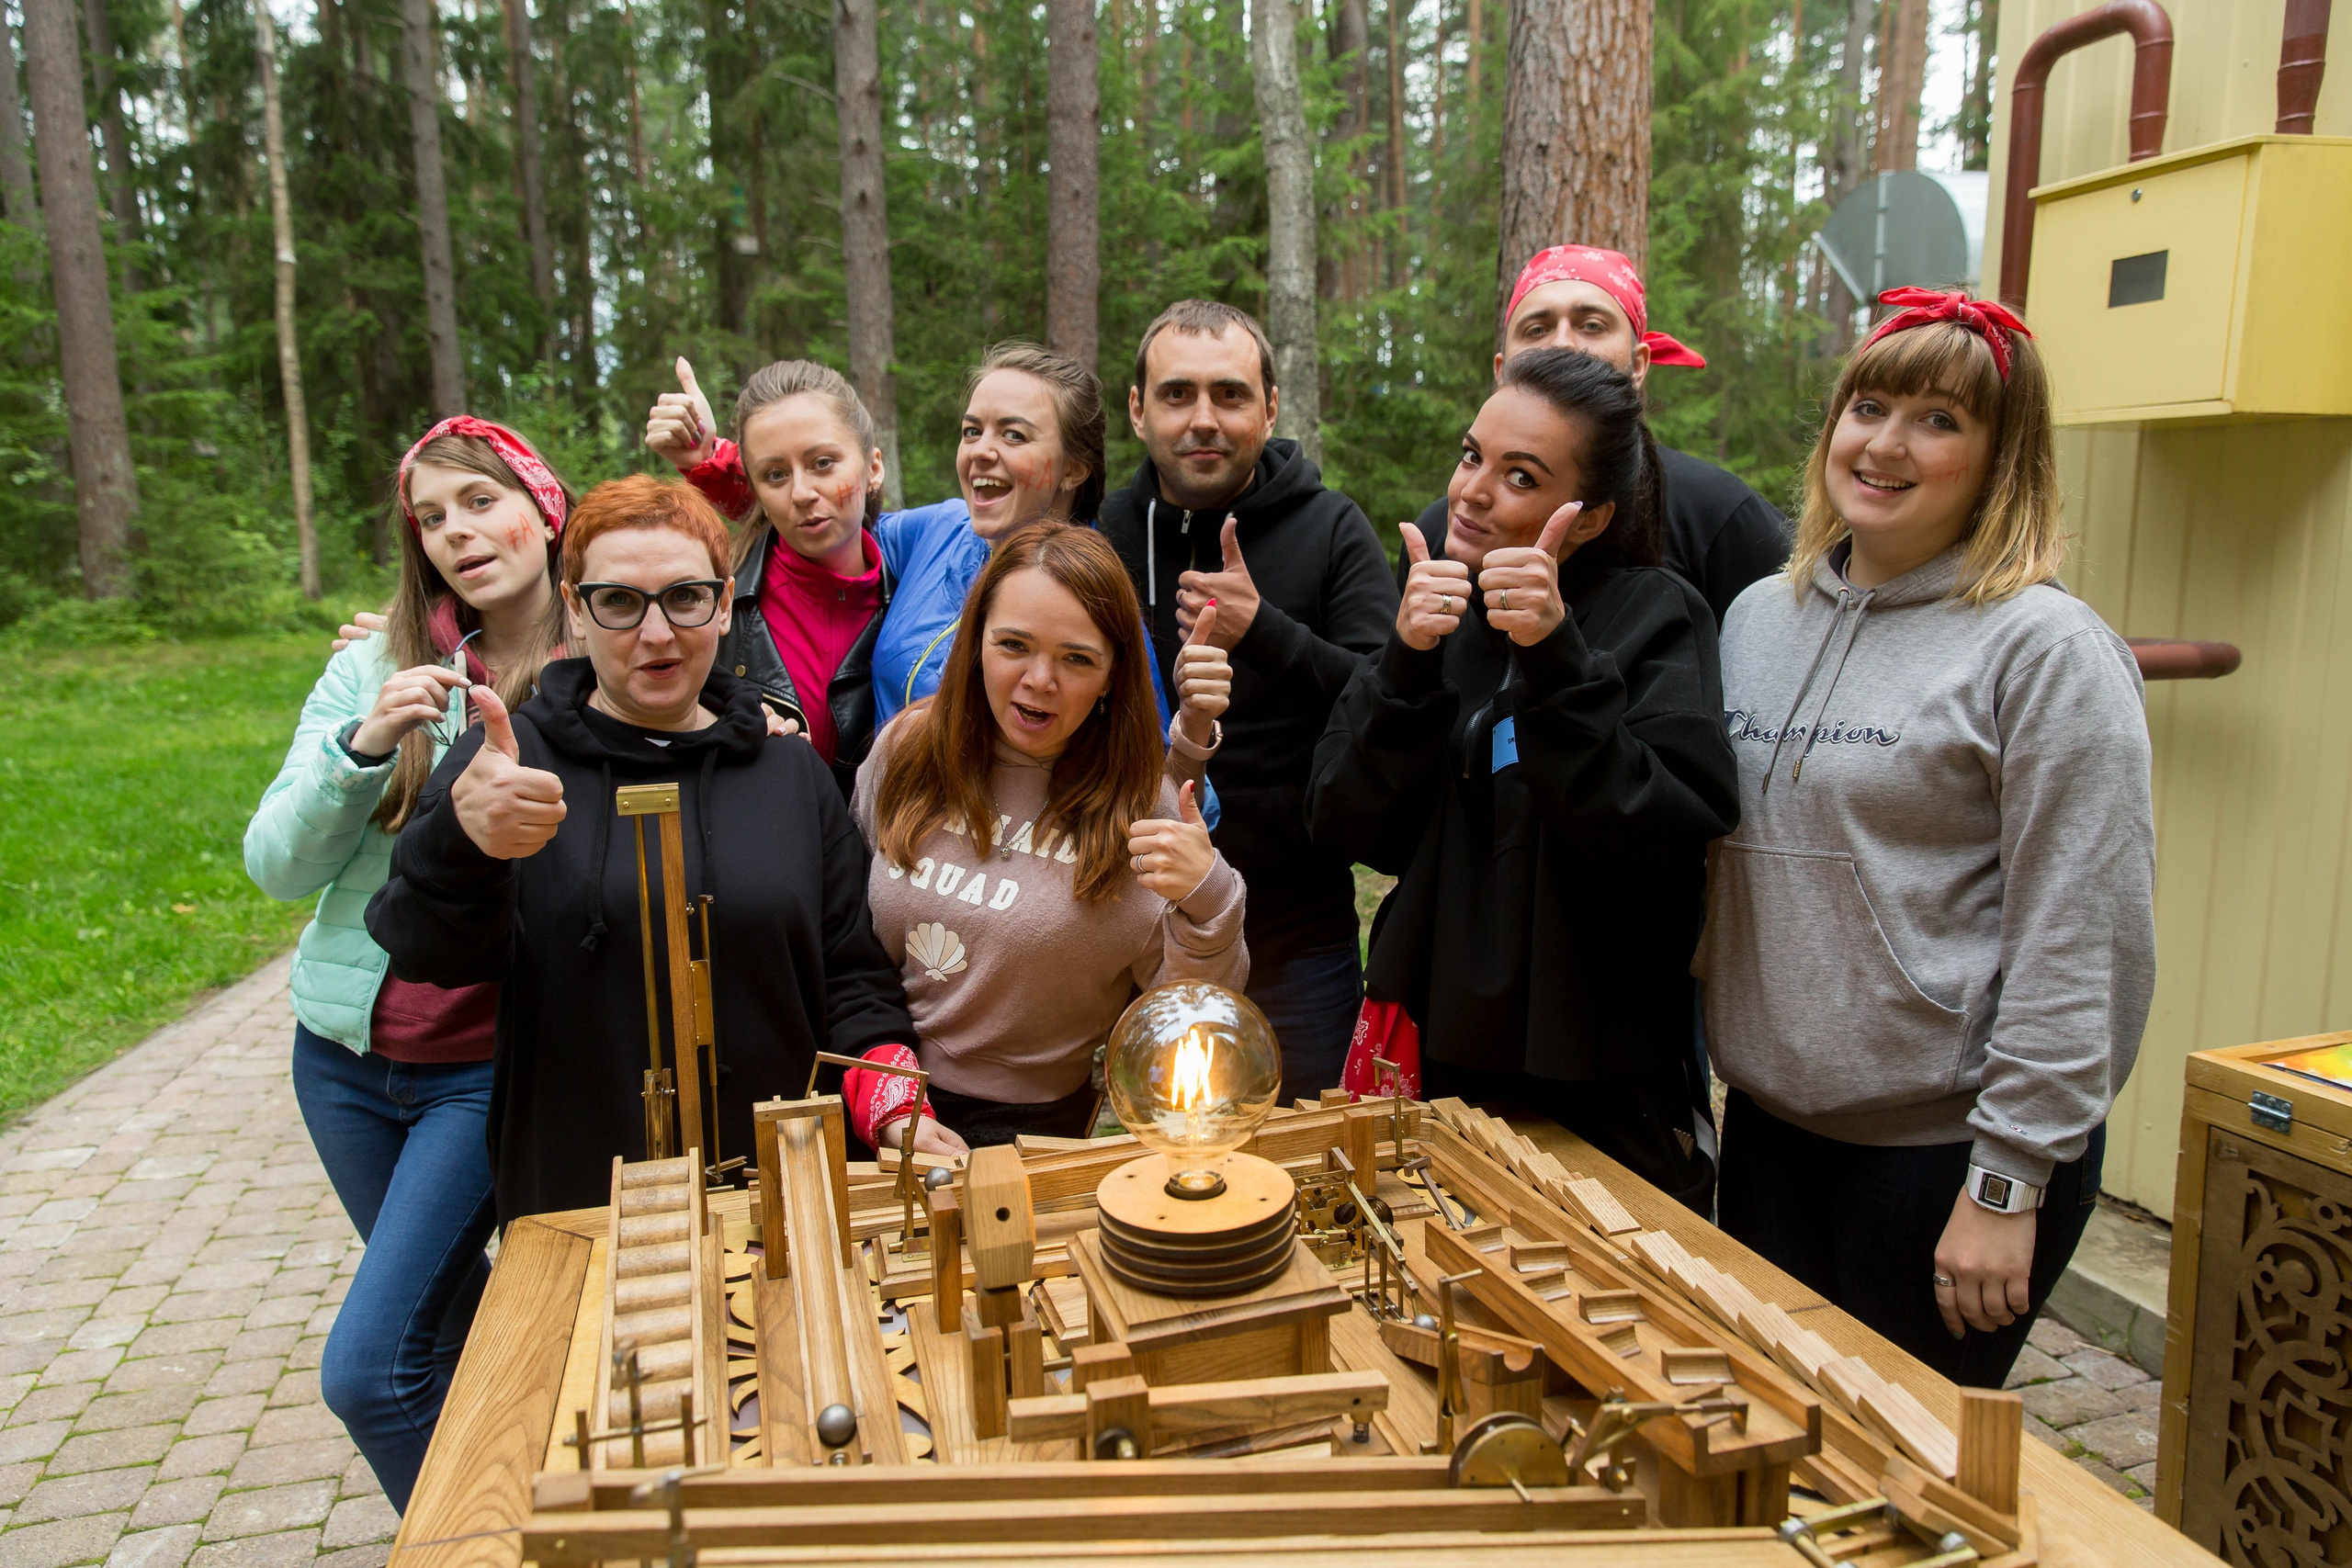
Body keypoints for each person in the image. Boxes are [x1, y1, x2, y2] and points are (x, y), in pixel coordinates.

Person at [1696, 288, 2154, 1384]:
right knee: (1774, 1444)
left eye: (1939, 421)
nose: (1886, 444)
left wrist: (2007, 1182)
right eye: (1868, 406)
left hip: (1943, 1157)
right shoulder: (1761, 616)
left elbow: (2080, 936)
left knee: (1902, 1496)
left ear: (2002, 458)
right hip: (1772, 1128)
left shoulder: (2043, 652)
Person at [365, 474, 918, 1221]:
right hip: (582, 1195)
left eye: (685, 597)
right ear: (576, 610)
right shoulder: (505, 763)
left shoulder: (789, 770)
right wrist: (464, 843)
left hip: (782, 1200)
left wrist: (889, 1101)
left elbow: (852, 973)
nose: (656, 633)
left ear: (724, 605)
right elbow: (427, 951)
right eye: (620, 602)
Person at [1308, 349, 1736, 1212]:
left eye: (1520, 475)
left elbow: (1657, 832)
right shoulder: (1442, 612)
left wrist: (1556, 658)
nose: (1472, 490)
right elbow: (1345, 822)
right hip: (1438, 1065)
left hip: (1599, 1086)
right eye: (1473, 456)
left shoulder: (1655, 613)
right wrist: (1402, 665)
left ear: (1587, 517)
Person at [243, 417, 571, 1511]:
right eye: (429, 517)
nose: (455, 532)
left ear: (543, 507)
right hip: (339, 1062)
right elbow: (277, 868)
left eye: (479, 501)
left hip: (485, 1071)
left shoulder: (607, 662)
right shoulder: (373, 668)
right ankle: (548, 1504)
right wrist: (359, 751)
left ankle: (476, 1538)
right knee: (452, 1324)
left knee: (373, 1369)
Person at [841, 523, 1248, 1153]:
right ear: (975, 641)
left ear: (1114, 672)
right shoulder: (906, 751)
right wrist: (882, 1096)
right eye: (1014, 645)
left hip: (1032, 1134)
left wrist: (1212, 899)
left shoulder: (1144, 806)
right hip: (876, 1096)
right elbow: (842, 939)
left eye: (1076, 658)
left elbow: (1186, 1022)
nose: (1040, 679)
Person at [1101, 300, 1399, 1099]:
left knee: (1308, 1175)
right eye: (1177, 394)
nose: (1203, 419)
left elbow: (1389, 698)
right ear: (1138, 410)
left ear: (1270, 407)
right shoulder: (1101, 538)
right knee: (1157, 1185)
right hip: (1138, 943)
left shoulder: (1333, 530)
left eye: (1230, 395)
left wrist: (1265, 628)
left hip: (1299, 945)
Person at [647, 345, 1178, 758]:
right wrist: (712, 462)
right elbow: (828, 522)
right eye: (972, 431)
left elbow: (1161, 781)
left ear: (1074, 467)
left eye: (1013, 435)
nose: (981, 451)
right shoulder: (940, 533)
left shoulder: (1100, 604)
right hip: (887, 864)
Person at [1404, 246, 1789, 626]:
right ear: (1502, 371)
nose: (1563, 344)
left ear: (1639, 364)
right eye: (1536, 329)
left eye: (1592, 325)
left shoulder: (1717, 513)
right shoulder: (1442, 534)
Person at [643, 358, 893, 795]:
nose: (800, 493)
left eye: (822, 463)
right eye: (775, 474)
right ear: (754, 487)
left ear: (873, 467)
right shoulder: (713, 606)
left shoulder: (918, 580)